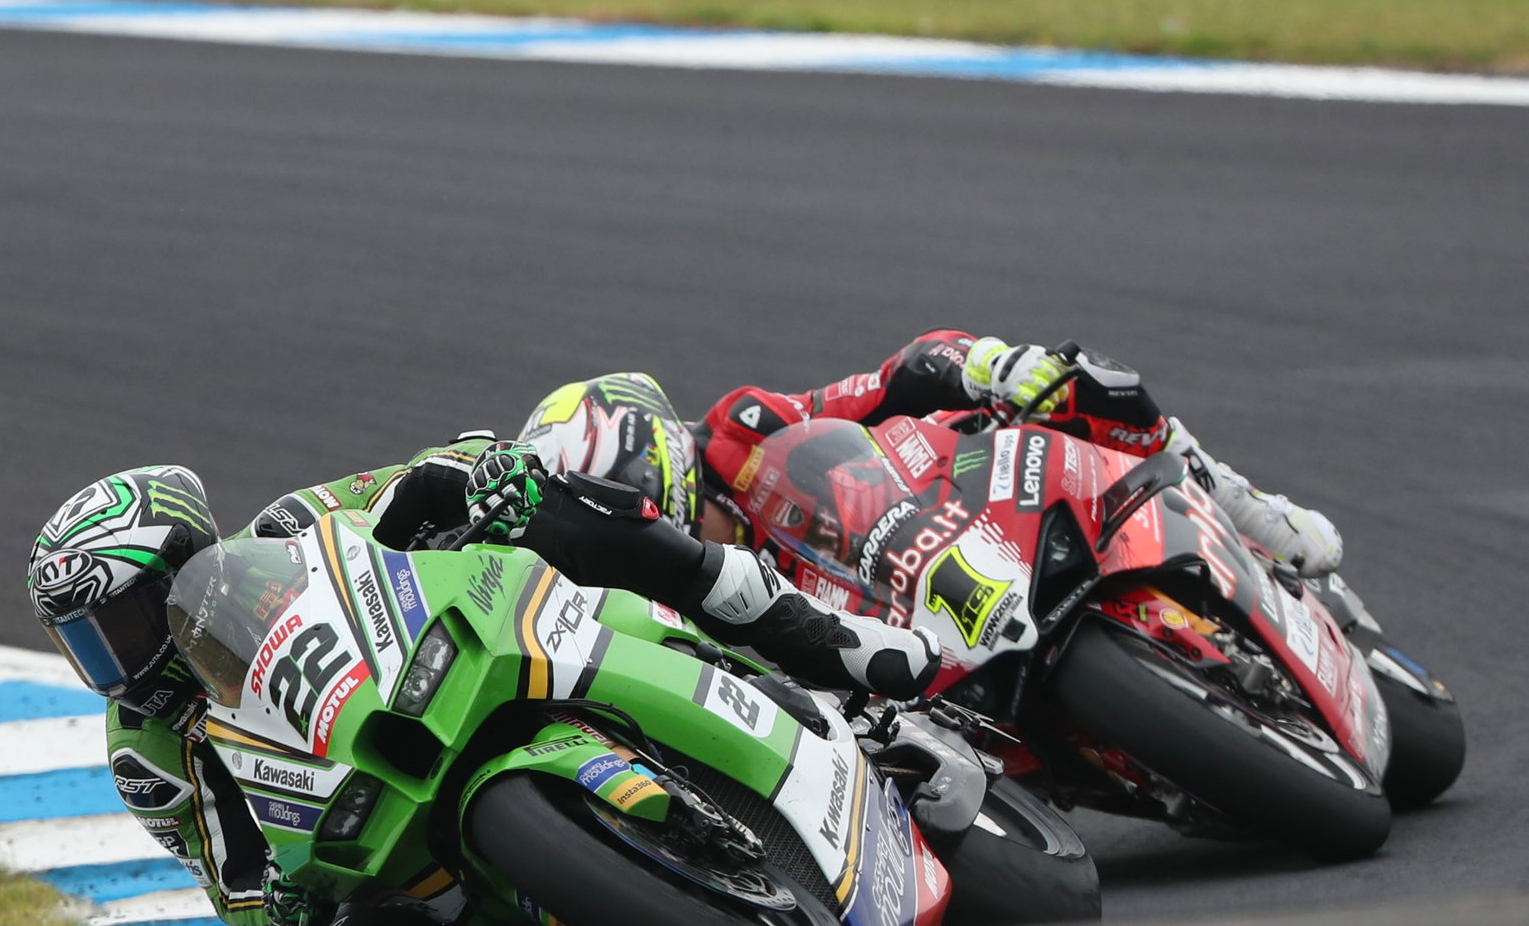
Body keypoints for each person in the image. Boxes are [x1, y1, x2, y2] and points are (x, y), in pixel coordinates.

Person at [25, 436, 941, 926]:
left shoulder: (287, 532)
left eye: (125, 618)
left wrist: (478, 474)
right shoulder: (144, 750)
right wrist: (279, 902)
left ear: (188, 558)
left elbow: (406, 485)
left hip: (449, 668)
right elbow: (230, 886)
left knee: (576, 521)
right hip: (372, 830)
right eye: (88, 643)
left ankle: (821, 639)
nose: (118, 656)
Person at [517, 329, 1343, 578]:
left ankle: (1235, 502)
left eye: (673, 512)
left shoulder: (745, 428)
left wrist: (981, 366)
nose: (676, 535)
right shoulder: (668, 592)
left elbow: (883, 383)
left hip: (948, 516)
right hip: (902, 663)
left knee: (1070, 388)